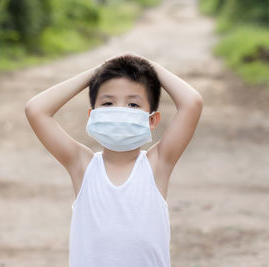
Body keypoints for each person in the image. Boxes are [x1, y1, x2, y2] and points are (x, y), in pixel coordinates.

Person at [24, 53, 203, 267]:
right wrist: (96, 72)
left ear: (152, 120)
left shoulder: (157, 165)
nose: (119, 111)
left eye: (133, 105)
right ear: (92, 116)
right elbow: (36, 110)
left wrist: (147, 65)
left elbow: (192, 103)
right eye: (108, 103)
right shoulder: (83, 166)